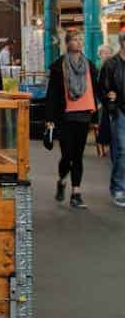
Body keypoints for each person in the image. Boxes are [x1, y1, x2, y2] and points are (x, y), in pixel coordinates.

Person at [45, 30, 100, 210]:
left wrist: (96, 116)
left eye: (80, 39)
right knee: (67, 155)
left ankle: (76, 193)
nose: (79, 42)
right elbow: (52, 94)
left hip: (83, 115)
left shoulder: (89, 66)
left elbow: (95, 90)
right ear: (67, 43)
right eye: (75, 39)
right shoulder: (58, 66)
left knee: (78, 156)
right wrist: (49, 119)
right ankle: (62, 180)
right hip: (65, 116)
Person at [99, 29, 125, 207]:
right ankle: (118, 188)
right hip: (120, 111)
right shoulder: (111, 64)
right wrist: (110, 101)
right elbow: (102, 88)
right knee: (122, 151)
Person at [96, 43, 114, 158]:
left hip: (113, 100)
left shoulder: (115, 65)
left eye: (108, 52)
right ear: (100, 55)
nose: (107, 55)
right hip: (104, 101)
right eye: (104, 53)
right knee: (105, 120)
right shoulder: (99, 67)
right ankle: (106, 146)